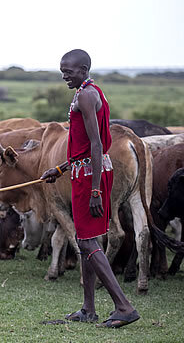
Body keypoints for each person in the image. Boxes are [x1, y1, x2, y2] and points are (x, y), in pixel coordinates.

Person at [41, 49, 140, 328]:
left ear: (83, 69)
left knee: (87, 242)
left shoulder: (86, 95)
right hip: (83, 172)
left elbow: (96, 144)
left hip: (90, 178)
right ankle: (88, 309)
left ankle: (124, 306)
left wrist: (96, 190)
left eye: (68, 71)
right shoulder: (86, 91)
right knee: (86, 240)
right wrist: (60, 169)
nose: (64, 76)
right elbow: (84, 145)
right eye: (62, 71)